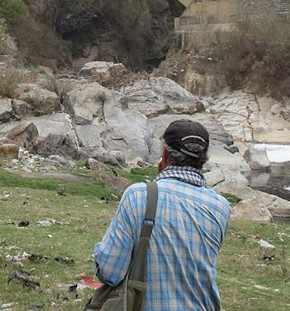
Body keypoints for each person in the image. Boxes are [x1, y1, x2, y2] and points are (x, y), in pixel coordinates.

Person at [92, 119, 230, 311]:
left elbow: (110, 272)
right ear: (204, 159)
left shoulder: (139, 195)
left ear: (164, 154)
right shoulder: (221, 206)